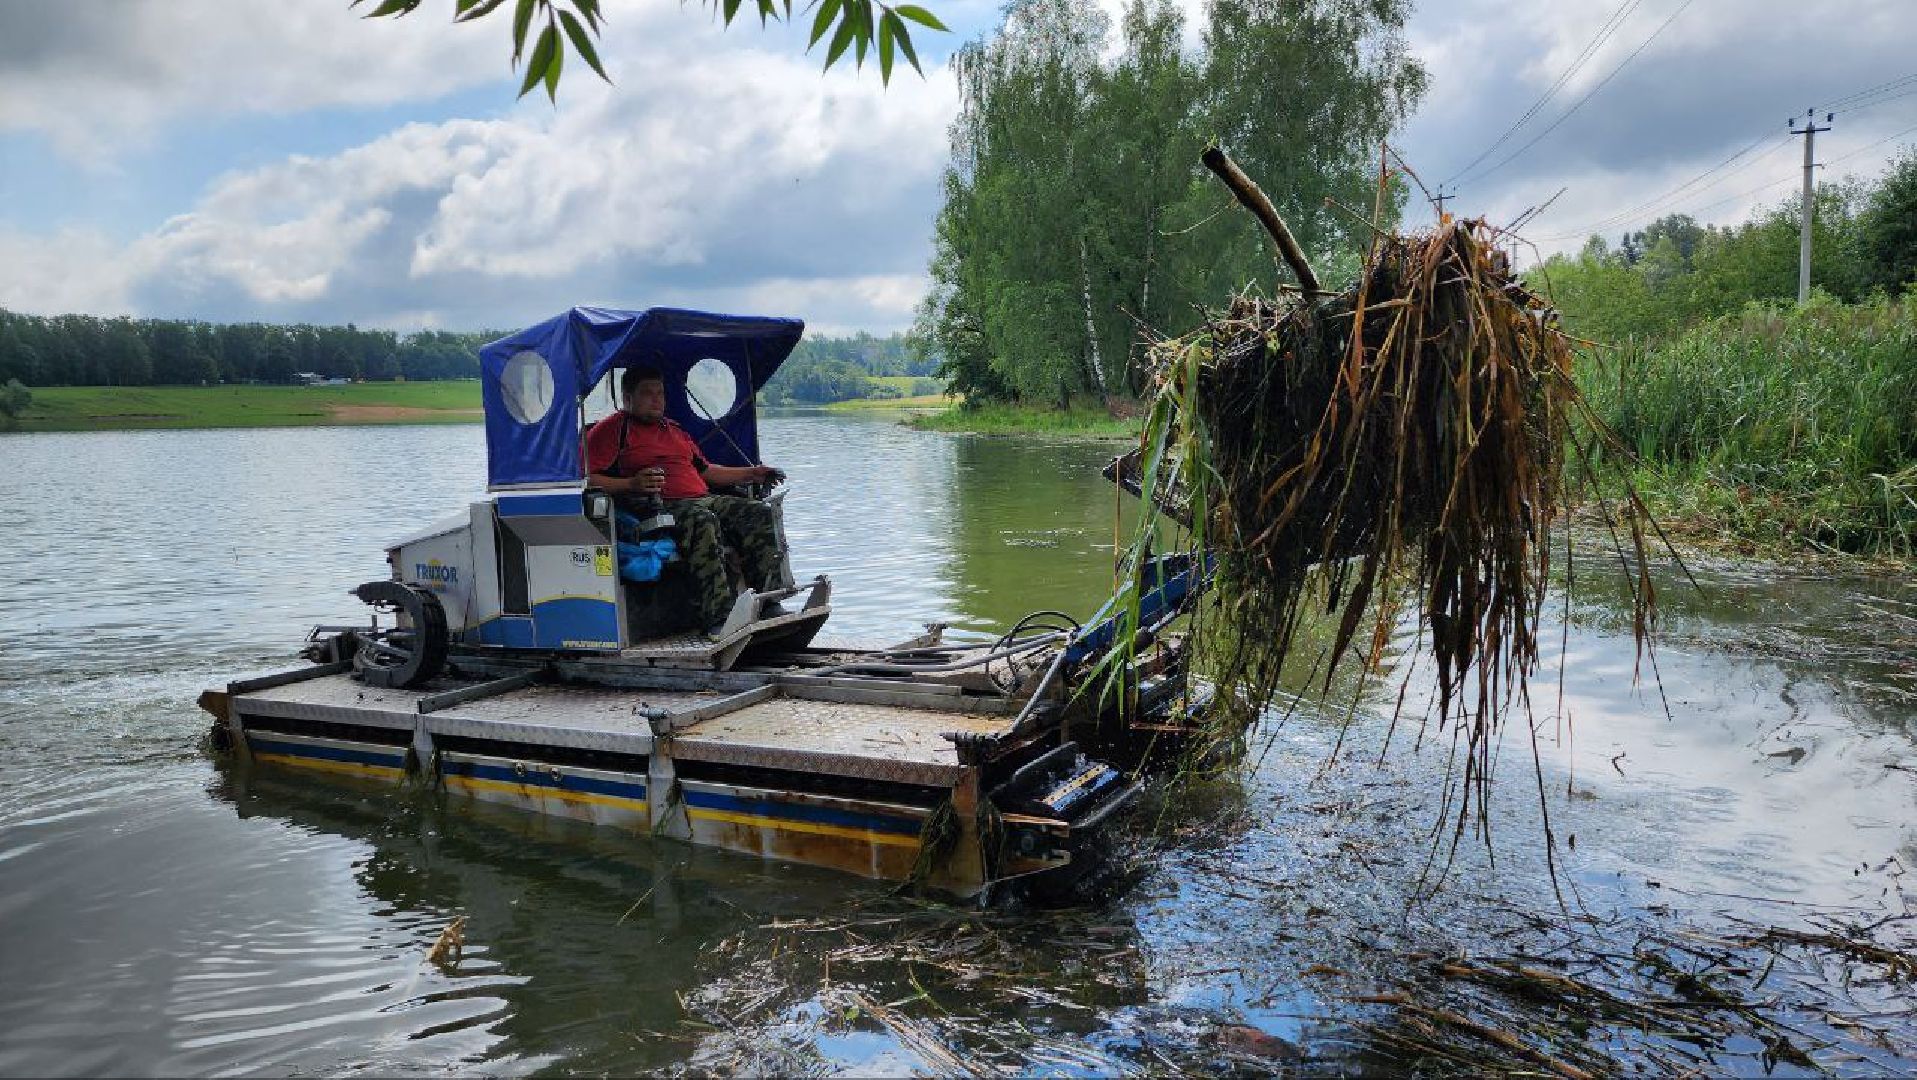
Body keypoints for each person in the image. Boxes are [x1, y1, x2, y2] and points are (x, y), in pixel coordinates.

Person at [585, 365, 785, 635]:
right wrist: (630, 484)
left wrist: (753, 473)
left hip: (702, 498)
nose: (657, 400)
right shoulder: (612, 430)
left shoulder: (675, 431)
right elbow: (585, 477)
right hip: (658, 506)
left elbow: (708, 471)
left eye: (661, 393)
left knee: (758, 512)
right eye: (647, 394)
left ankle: (769, 601)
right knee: (702, 520)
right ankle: (717, 618)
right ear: (628, 398)